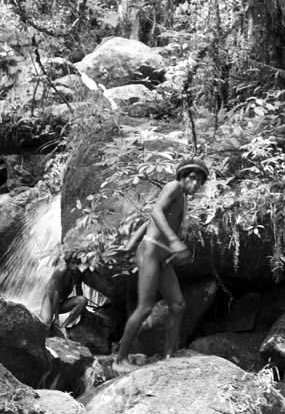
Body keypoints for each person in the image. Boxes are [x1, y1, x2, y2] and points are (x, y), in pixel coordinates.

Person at [112, 158, 209, 372]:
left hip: (162, 257)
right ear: (183, 177)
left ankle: (168, 356)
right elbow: (156, 212)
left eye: (200, 181)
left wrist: (129, 246)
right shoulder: (173, 186)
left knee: (178, 305)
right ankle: (119, 359)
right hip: (150, 252)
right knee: (145, 307)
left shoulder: (183, 198)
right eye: (193, 178)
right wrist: (173, 241)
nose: (196, 184)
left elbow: (149, 221)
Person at [40, 250, 88, 336]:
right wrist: (57, 318)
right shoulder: (60, 271)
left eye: (77, 263)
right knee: (46, 324)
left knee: (83, 300)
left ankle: (63, 326)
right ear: (67, 262)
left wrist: (83, 309)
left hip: (62, 302)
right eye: (73, 263)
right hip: (51, 300)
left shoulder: (77, 272)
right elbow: (55, 295)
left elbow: (79, 288)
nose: (75, 265)